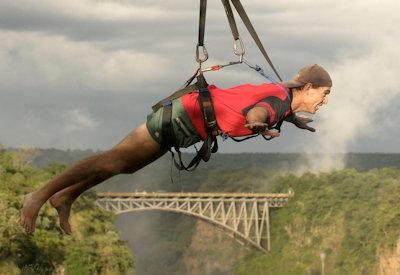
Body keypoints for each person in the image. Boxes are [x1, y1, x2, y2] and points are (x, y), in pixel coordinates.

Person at [21, 64, 332, 235]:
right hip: (181, 117)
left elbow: (276, 107)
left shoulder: (282, 97)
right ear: (307, 88)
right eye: (324, 93)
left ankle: (66, 196)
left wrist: (293, 121)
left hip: (187, 123)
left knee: (124, 165)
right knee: (113, 160)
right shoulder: (276, 102)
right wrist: (257, 123)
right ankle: (38, 196)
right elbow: (260, 111)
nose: (325, 100)